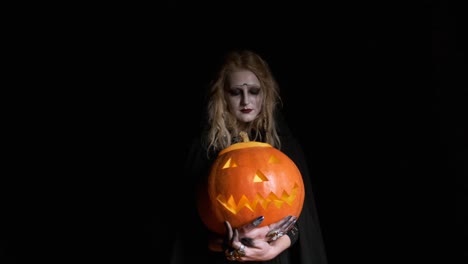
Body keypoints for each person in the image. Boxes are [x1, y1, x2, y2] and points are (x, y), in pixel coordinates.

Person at [169, 49, 327, 263]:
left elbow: (301, 218)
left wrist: (270, 250)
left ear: (265, 94)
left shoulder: (283, 142)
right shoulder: (204, 147)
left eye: (254, 91)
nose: (246, 100)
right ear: (223, 96)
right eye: (236, 92)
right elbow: (189, 229)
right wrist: (228, 244)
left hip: (278, 257)